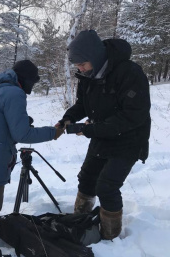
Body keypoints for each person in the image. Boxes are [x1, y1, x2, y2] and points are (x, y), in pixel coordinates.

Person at [55, 30, 151, 240]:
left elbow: (133, 115)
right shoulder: (87, 75)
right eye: (77, 64)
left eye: (82, 63)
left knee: (106, 186)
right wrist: (68, 118)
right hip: (102, 135)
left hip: (129, 140)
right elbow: (83, 104)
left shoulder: (129, 72)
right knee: (87, 179)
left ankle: (111, 237)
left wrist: (90, 129)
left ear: (95, 56)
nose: (79, 68)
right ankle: (80, 221)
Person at [0, 60, 64, 238]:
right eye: (33, 82)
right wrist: (53, 133)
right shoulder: (14, 93)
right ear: (25, 79)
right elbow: (23, 135)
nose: (32, 87)